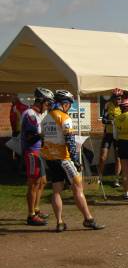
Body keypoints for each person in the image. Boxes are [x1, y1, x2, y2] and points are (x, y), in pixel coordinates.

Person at [41, 90, 104, 232]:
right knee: (78, 188)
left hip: (50, 159)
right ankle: (88, 219)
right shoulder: (64, 117)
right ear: (64, 104)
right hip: (64, 158)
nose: (70, 106)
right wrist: (76, 160)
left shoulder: (46, 118)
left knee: (56, 190)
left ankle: (59, 222)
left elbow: (43, 138)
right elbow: (70, 140)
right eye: (69, 104)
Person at [21, 88, 54, 226]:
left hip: (39, 151)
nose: (48, 107)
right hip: (31, 152)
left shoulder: (40, 113)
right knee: (33, 183)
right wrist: (44, 134)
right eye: (47, 103)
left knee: (43, 181)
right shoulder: (30, 115)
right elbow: (30, 138)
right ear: (40, 102)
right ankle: (31, 215)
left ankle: (36, 208)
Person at [98, 88, 123, 187]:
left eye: (120, 98)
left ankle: (116, 180)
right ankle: (99, 178)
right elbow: (103, 119)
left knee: (118, 158)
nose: (118, 100)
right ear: (112, 98)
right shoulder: (108, 105)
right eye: (117, 98)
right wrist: (111, 122)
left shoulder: (122, 107)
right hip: (108, 133)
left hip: (118, 135)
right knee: (102, 157)